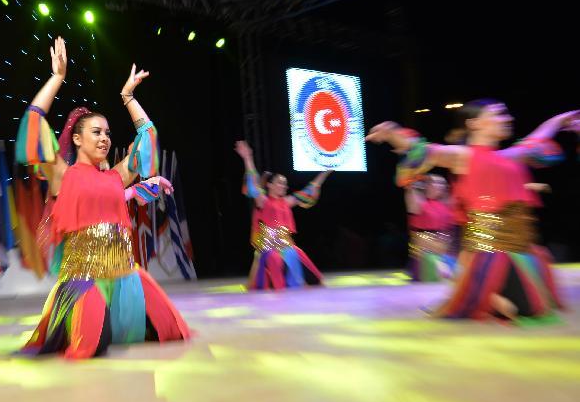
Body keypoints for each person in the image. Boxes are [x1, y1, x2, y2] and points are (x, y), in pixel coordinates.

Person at [14, 37, 189, 358]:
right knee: (90, 344)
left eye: (108, 133)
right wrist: (56, 78)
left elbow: (147, 136)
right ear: (77, 138)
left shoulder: (116, 176)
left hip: (124, 275)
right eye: (96, 132)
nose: (105, 138)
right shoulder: (62, 174)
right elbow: (35, 123)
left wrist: (128, 97)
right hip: (83, 278)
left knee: (172, 331)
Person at [367, 100, 576, 320]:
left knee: (536, 307)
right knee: (525, 309)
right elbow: (426, 150)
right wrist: (391, 133)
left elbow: (537, 138)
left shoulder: (512, 155)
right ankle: (483, 293)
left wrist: (560, 120)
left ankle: (486, 293)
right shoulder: (464, 156)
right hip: (492, 250)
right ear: (474, 123)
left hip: (523, 247)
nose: (508, 119)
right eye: (499, 114)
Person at [234, 141, 331, 290]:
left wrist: (325, 172)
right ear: (269, 185)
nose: (284, 186)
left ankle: (299, 283)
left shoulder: (287, 201)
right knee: (274, 258)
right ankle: (276, 285)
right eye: (280, 183)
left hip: (286, 246)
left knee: (298, 255)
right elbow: (253, 184)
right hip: (267, 247)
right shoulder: (263, 201)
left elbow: (309, 190)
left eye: (285, 184)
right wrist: (248, 158)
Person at [404, 174, 456, 281]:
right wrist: (411, 185)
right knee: (439, 275)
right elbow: (418, 237)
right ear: (426, 185)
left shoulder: (445, 204)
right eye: (435, 182)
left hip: (444, 248)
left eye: (442, 183)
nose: (440, 185)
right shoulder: (418, 202)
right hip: (425, 250)